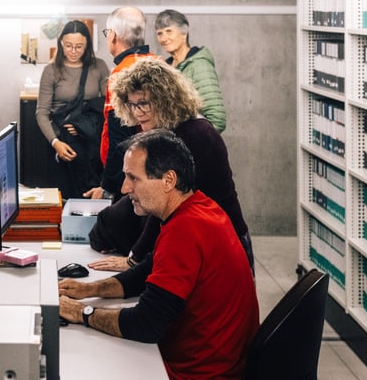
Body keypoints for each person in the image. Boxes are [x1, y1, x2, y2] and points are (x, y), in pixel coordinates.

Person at [59, 129, 259, 380]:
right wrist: (90, 290)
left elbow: (146, 324)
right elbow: (149, 269)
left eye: (133, 178)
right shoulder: (200, 207)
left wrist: (82, 313)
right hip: (222, 363)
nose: (124, 188)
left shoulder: (185, 231)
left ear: (168, 180)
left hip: (199, 373)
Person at [88, 57, 253, 273]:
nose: (137, 112)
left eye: (144, 103)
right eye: (132, 104)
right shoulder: (171, 132)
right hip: (202, 241)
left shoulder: (194, 135)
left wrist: (134, 259)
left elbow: (162, 208)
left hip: (223, 246)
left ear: (166, 99)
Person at [83, 6, 155, 201]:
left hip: (131, 176)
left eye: (107, 33)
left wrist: (107, 187)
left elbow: (120, 139)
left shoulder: (121, 74)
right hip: (157, 169)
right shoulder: (158, 64)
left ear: (113, 35)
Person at [35, 20, 110, 200]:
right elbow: (42, 112)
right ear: (61, 43)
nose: (73, 51)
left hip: (91, 141)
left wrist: (85, 125)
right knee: (65, 194)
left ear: (87, 46)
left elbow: (108, 105)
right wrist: (56, 143)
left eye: (79, 46)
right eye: (68, 46)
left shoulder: (98, 66)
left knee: (91, 192)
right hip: (62, 139)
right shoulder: (51, 70)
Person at [154, 9, 226, 133]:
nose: (163, 38)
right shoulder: (167, 67)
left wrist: (189, 143)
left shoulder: (199, 66)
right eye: (159, 33)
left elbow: (217, 120)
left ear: (184, 33)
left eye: (168, 31)